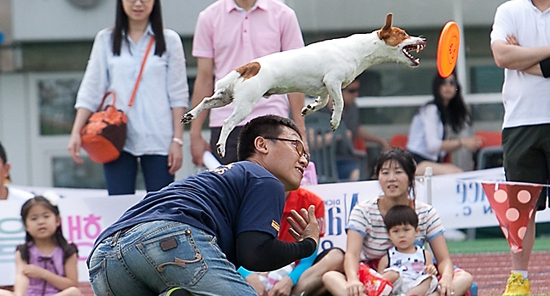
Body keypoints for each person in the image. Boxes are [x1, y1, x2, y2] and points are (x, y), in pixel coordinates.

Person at [87, 115, 339, 296]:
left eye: (305, 152)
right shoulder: (263, 177)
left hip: (102, 262)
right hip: (167, 238)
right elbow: (255, 254)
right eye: (296, 146)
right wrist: (307, 244)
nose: (304, 158)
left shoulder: (214, 180)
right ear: (262, 145)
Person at [68, 0, 188, 195]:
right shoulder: (106, 39)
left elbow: (178, 95)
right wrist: (75, 132)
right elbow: (92, 88)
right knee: (119, 207)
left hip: (159, 137)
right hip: (115, 137)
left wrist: (177, 140)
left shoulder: (169, 40)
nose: (138, 4)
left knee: (161, 207)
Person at [320, 147, 474, 296]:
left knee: (464, 278)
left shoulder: (427, 212)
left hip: (416, 276)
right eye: (385, 173)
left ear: (410, 177)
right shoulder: (363, 210)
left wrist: (446, 277)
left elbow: (444, 259)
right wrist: (353, 280)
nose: (391, 178)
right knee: (331, 277)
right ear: (378, 177)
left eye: (398, 172)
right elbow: (352, 255)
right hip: (375, 278)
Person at [189, 0, 307, 166]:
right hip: (226, 121)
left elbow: (295, 75)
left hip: (271, 119)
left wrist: (300, 132)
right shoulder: (209, 17)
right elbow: (204, 78)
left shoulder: (283, 15)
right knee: (229, 190)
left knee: (271, 188)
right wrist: (195, 134)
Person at [490, 0, 550, 296]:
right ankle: (519, 278)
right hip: (520, 123)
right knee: (522, 209)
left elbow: (512, 57)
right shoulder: (509, 10)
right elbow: (501, 56)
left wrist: (521, 55)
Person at [237, 186, 325, 296]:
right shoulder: (246, 197)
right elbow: (231, 249)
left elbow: (308, 259)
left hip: (296, 274)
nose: (303, 166)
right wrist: (249, 276)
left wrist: (290, 280)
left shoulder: (313, 202)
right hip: (250, 268)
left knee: (335, 257)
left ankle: (286, 295)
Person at [0, 196, 83, 296]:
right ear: (26, 225)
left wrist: (44, 274)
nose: (41, 222)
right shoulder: (23, 251)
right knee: (2, 295)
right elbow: (21, 276)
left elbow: (71, 284)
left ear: (57, 220)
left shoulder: (67, 250)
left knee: (74, 293)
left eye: (46, 216)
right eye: (34, 218)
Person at [313, 79, 390, 181]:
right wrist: (336, 136)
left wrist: (380, 141)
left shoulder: (352, 108)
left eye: (357, 90)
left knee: (358, 173)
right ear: (337, 91)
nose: (356, 94)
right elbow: (311, 142)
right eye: (351, 91)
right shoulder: (318, 109)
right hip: (322, 163)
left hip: (346, 160)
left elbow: (356, 129)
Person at [406, 72, 482, 176]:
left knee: (458, 171)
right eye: (443, 83)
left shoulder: (446, 112)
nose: (448, 87)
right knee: (456, 173)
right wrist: (462, 142)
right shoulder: (431, 110)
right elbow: (433, 145)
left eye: (452, 83)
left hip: (433, 162)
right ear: (437, 86)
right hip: (417, 162)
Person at [377, 205, 438, 296]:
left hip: (416, 285)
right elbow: (380, 279)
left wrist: (431, 269)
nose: (401, 235)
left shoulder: (424, 254)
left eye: (406, 230)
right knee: (394, 273)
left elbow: (429, 270)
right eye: (395, 231)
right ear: (389, 234)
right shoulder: (387, 258)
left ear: (416, 231)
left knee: (431, 279)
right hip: (397, 286)